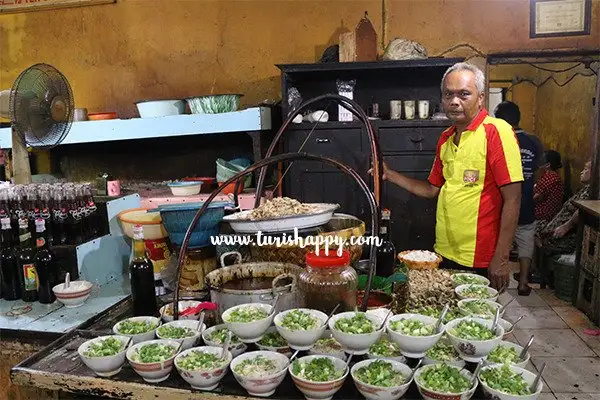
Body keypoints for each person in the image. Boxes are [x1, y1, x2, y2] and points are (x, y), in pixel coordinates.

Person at [371, 62, 523, 290]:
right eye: (448, 94)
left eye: (464, 94)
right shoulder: (446, 138)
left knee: (476, 319)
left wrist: (501, 259)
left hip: (480, 257)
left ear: (480, 98)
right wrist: (390, 175)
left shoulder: (496, 131)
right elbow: (431, 189)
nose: (454, 101)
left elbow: (513, 198)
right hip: (446, 252)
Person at [494, 101, 540, 296]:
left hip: (501, 204)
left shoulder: (498, 140)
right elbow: (537, 172)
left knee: (499, 241)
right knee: (525, 240)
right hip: (526, 200)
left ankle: (494, 282)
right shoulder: (534, 143)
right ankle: (523, 282)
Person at [537, 160, 592, 255]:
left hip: (562, 231)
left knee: (527, 230)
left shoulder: (591, 192)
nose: (581, 172)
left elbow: (582, 210)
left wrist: (567, 226)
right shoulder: (585, 189)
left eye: (586, 169)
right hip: (554, 224)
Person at [534, 150, 564, 222]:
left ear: (547, 165)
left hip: (542, 216)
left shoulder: (549, 178)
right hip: (551, 215)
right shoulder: (554, 176)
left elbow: (534, 198)